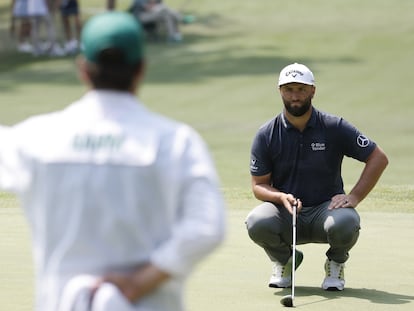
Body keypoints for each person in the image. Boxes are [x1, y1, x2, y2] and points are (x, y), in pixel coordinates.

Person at [0, 11, 225, 311]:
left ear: (83, 69)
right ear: (141, 69)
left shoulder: (36, 138)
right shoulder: (176, 142)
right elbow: (207, 228)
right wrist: (139, 283)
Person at [245, 63, 388, 291]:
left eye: (301, 89)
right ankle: (285, 260)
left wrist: (355, 196)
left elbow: (378, 158)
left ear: (313, 91)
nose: (295, 96)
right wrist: (281, 197)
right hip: (287, 214)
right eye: (289, 89)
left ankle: (335, 263)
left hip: (326, 212)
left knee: (347, 222)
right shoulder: (266, 134)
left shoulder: (334, 127)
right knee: (257, 221)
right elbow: (259, 185)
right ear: (280, 91)